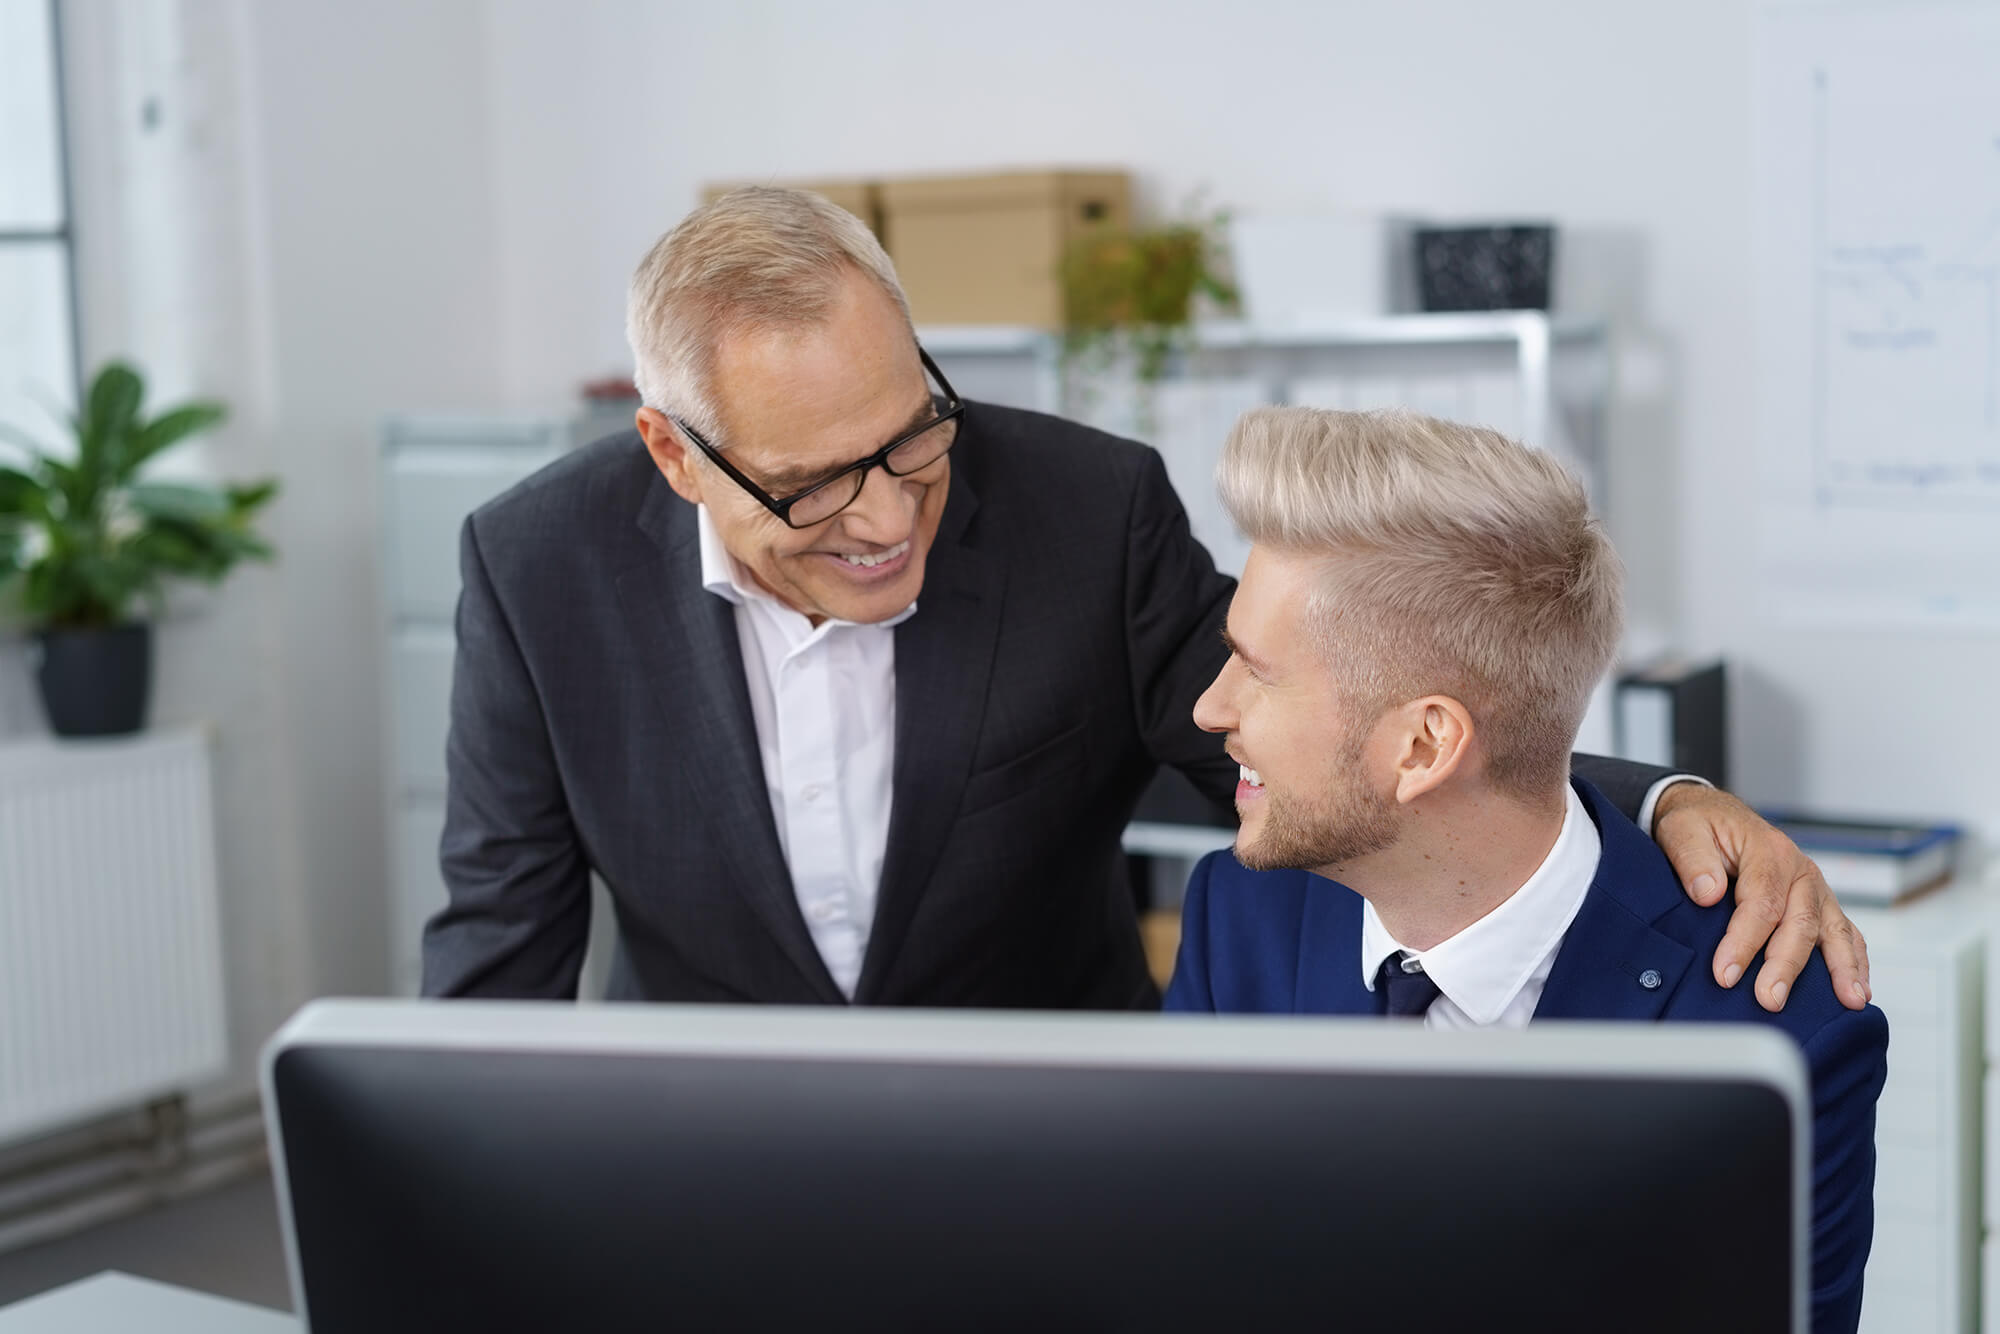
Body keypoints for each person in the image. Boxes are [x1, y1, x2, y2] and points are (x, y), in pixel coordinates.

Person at [423, 186, 1871, 1012]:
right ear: (675, 452)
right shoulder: (536, 568)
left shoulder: (1080, 509)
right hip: (710, 1182)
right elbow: (498, 954)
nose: (884, 515)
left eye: (910, 433)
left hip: (1066, 1164)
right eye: (810, 484)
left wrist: (1664, 795)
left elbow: (1347, 727)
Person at [1162, 406, 1887, 1331]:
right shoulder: (1238, 915)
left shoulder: (1778, 1038)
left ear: (1425, 746)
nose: (1207, 708)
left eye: (1254, 670)